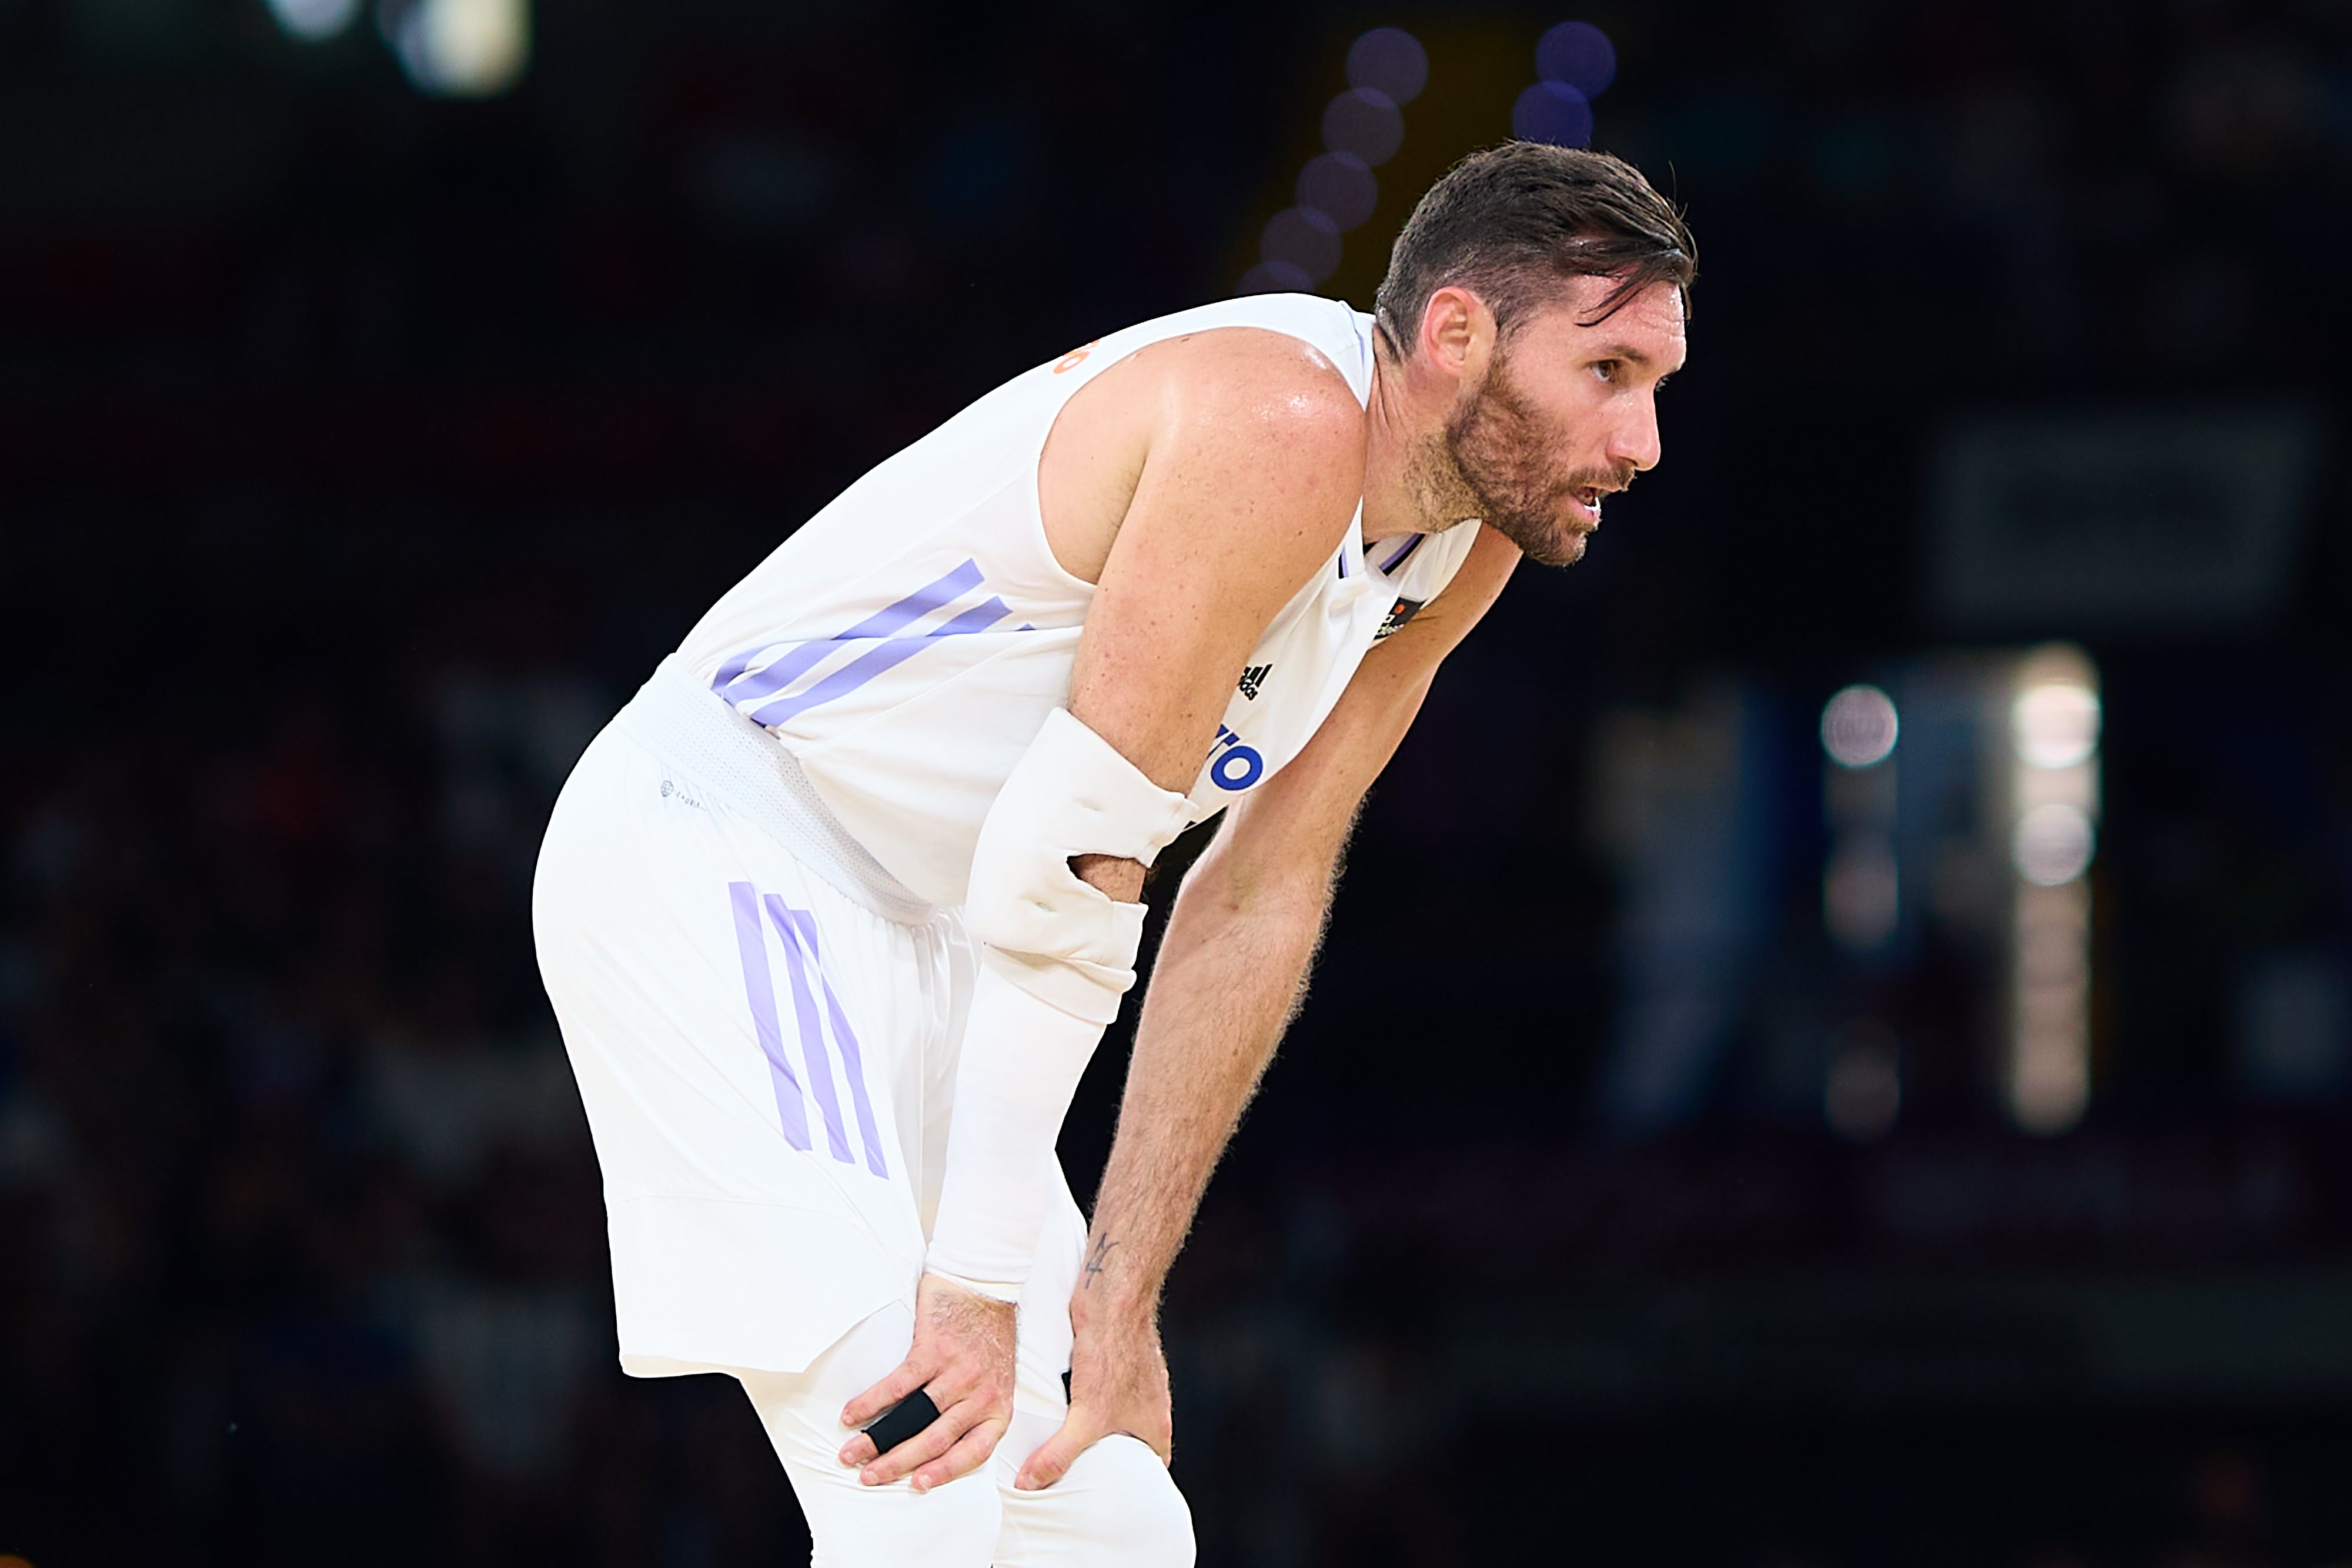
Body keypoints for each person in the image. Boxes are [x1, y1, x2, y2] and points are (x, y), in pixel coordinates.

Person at [532, 141, 1694, 1566]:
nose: (1639, 444)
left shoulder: (1459, 544)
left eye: (1655, 388)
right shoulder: (1278, 421)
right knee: (919, 1480)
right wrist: (972, 1284)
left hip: (947, 926)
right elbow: (1068, 863)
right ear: (1453, 334)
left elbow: (1259, 889)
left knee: (1112, 1525)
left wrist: (1118, 1293)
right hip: (731, 851)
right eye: (1607, 374)